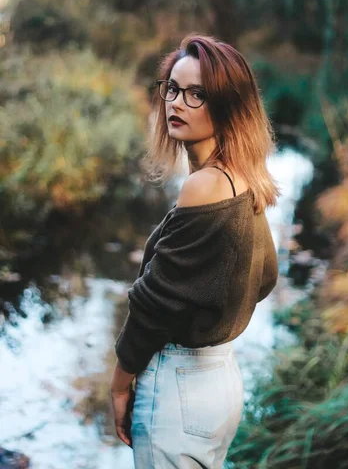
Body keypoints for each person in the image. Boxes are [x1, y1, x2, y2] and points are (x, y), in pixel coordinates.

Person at [110, 33, 280, 468]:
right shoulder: (243, 177)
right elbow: (264, 278)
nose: (177, 103)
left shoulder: (204, 185)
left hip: (177, 387)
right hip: (218, 382)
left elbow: (152, 304)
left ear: (228, 105)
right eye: (173, 88)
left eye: (196, 94)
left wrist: (119, 385)